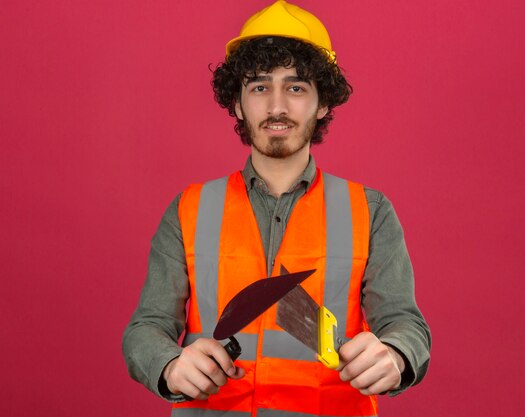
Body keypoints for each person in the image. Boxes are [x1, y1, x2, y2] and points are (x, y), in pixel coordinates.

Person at [122, 1, 431, 415]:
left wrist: (395, 355)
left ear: (323, 104)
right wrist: (170, 365)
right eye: (260, 87)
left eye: (297, 87)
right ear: (237, 103)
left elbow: (407, 326)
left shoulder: (371, 212)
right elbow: (145, 329)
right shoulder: (188, 210)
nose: (277, 107)